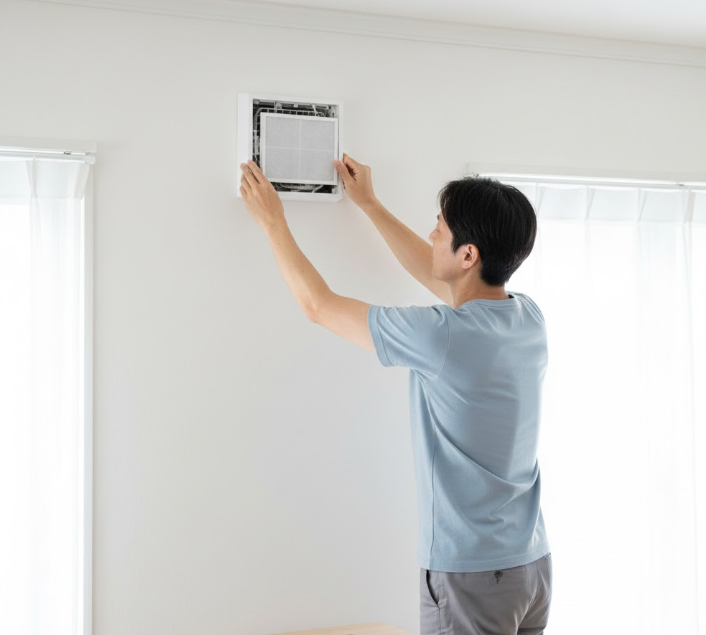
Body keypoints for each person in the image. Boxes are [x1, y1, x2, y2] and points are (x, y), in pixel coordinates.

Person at [334, 154, 553, 635]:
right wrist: (370, 205)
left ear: (468, 255)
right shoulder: (528, 317)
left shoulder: (441, 335)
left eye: (439, 227)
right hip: (530, 566)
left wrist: (272, 219)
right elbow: (441, 276)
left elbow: (318, 305)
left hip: (472, 576)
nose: (431, 235)